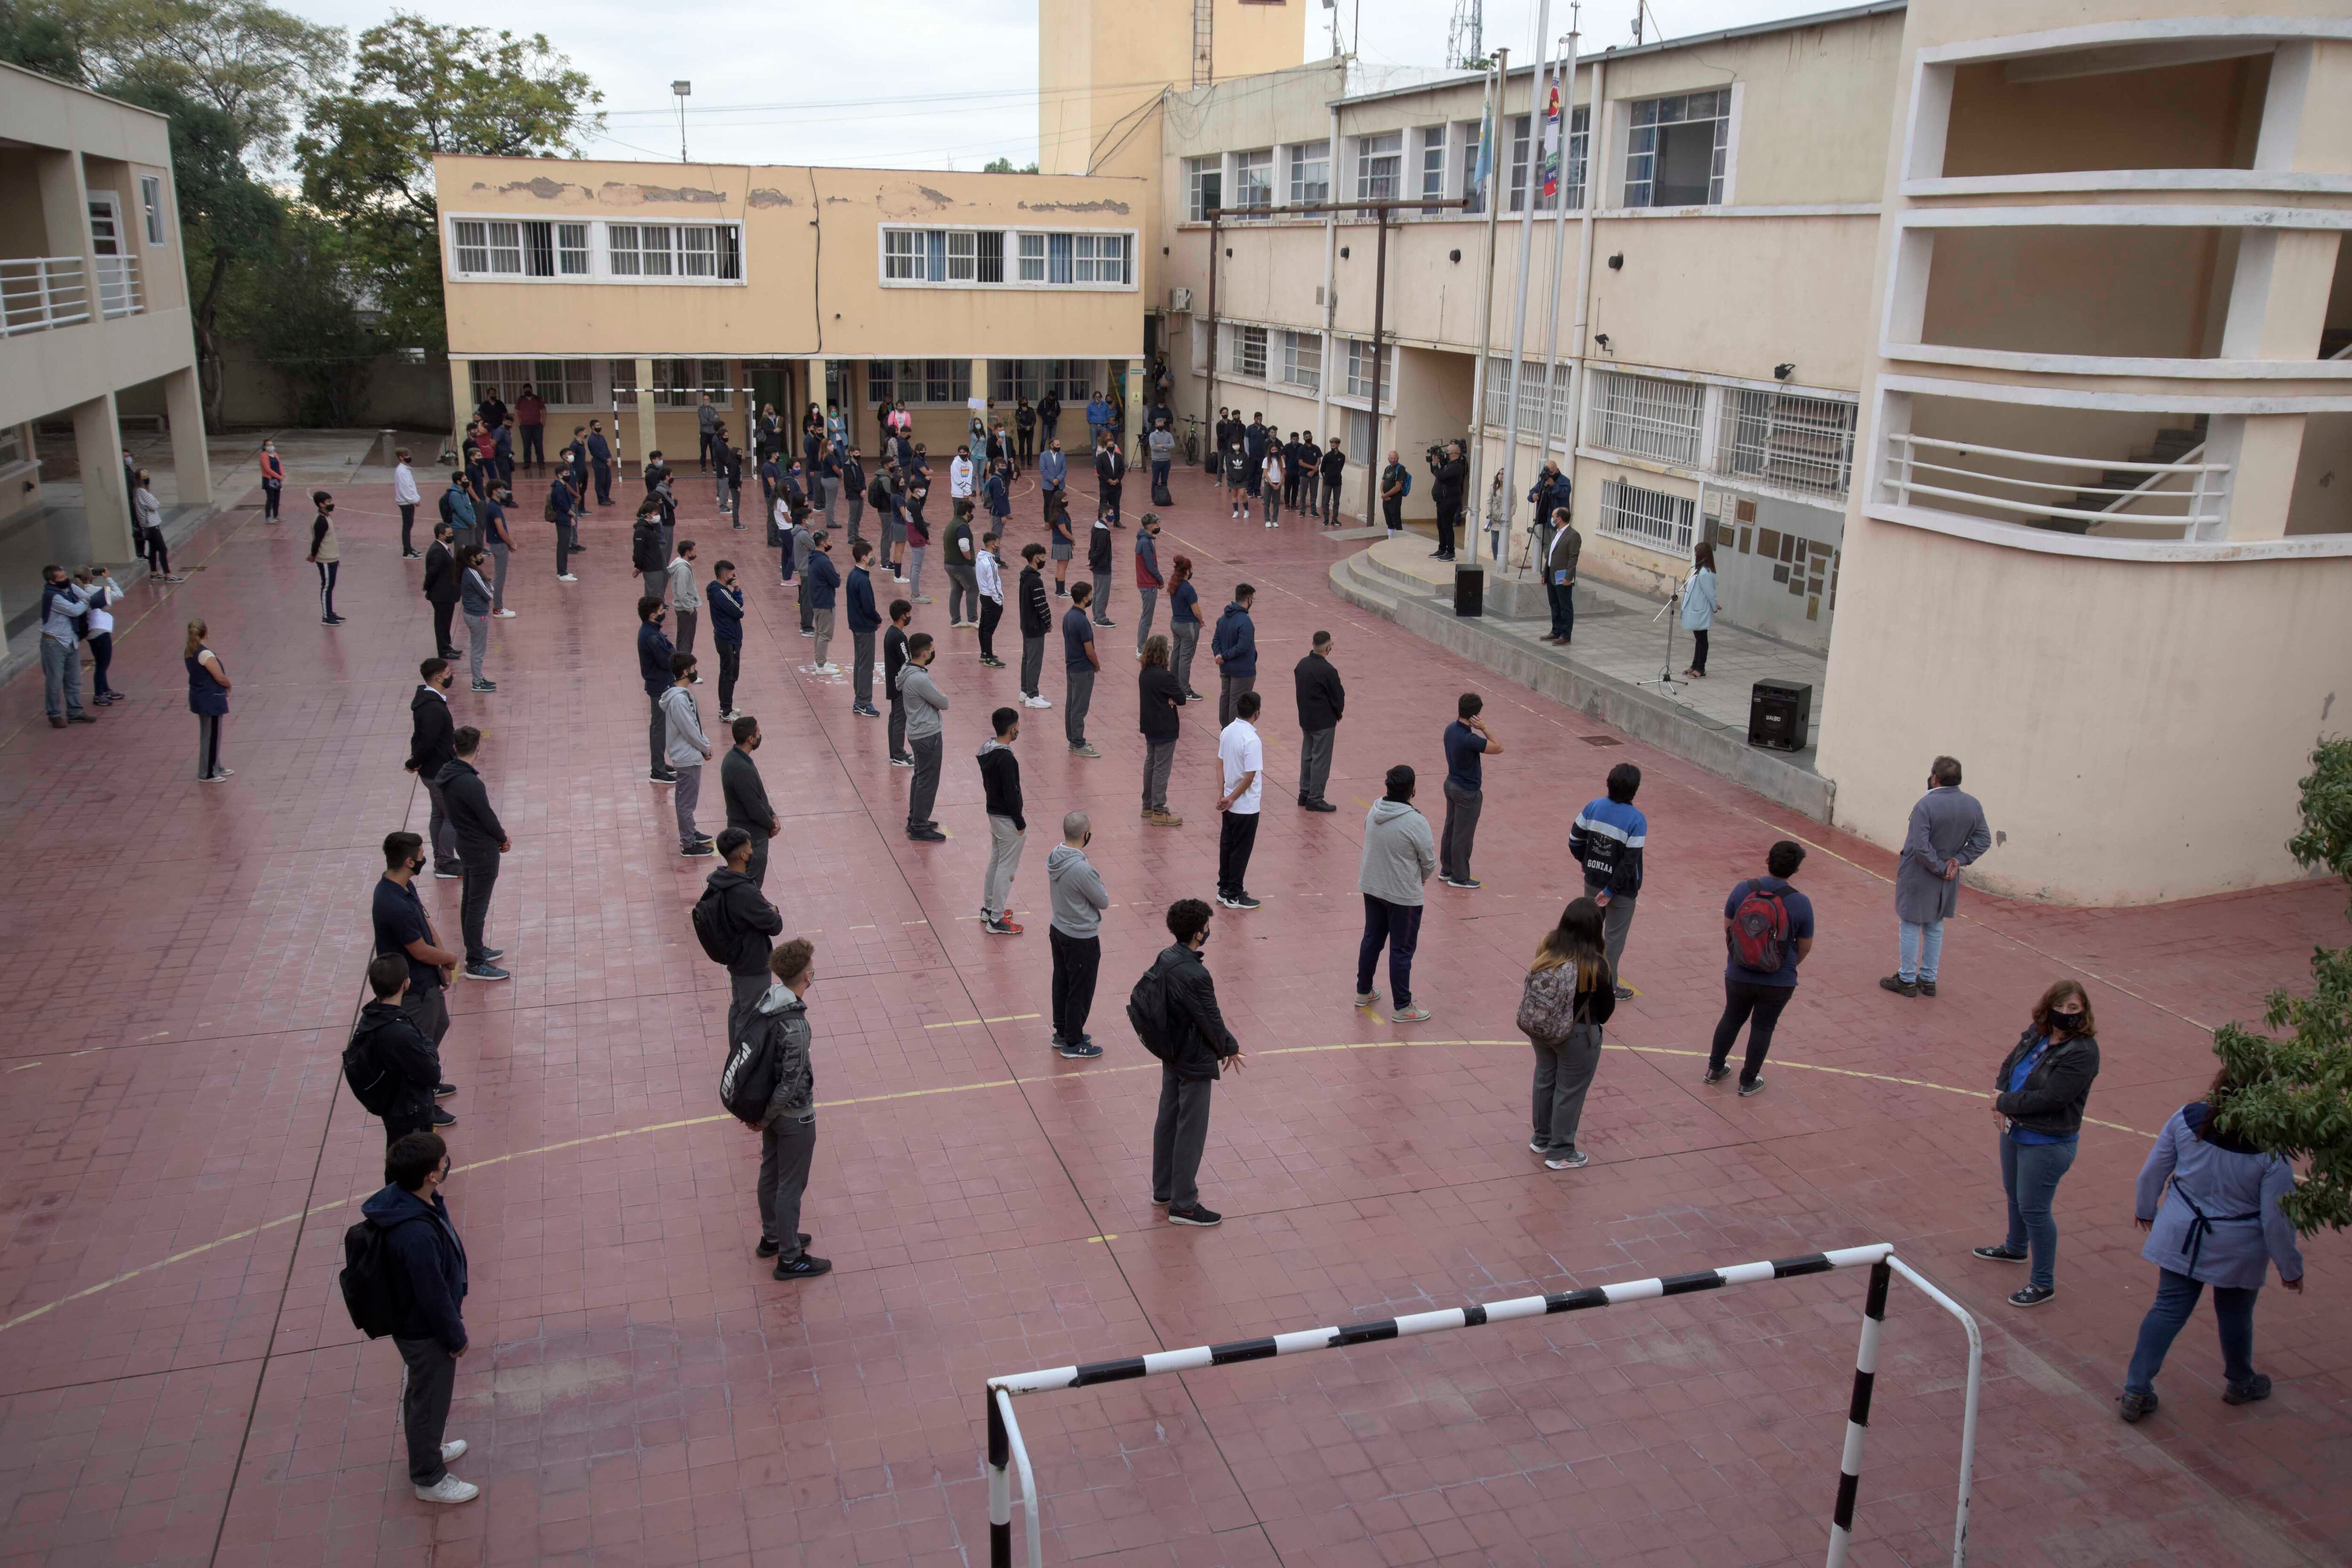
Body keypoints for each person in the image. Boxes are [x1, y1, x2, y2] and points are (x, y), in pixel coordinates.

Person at [2118, 1064, 2306, 1422]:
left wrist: (2146, 1209)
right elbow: (2276, 1218)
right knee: (2235, 1312)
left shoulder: (2187, 1118)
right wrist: (2290, 1267)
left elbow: (2153, 1172)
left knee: (2168, 1308)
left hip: (2181, 1232)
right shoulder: (2272, 1150)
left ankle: (2136, 1389)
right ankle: (2240, 1380)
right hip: (2238, 1245)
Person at [362, 1132, 477, 1503]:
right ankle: (429, 1477)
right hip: (425, 1330)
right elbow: (432, 1294)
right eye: (443, 1161)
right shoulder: (415, 1233)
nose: (448, 1164)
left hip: (415, 1322)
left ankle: (427, 1448)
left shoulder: (412, 1199)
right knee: (430, 1397)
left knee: (421, 1393)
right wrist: (455, 1336)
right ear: (430, 1174)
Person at [1972, 980, 2102, 1308]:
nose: (2065, 1013)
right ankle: (2016, 1247)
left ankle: (2043, 1283)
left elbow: (2053, 1098)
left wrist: (2006, 1103)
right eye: (2060, 1006)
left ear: (2084, 1010)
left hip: (2047, 1141)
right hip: (2017, 1129)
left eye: (2073, 1008)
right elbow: (2010, 1064)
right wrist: (2000, 1098)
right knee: (2014, 1193)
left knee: (2035, 1208)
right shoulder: (2038, 1032)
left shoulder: (2083, 1052)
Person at [1143, 898, 1245, 1225]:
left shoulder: (1166, 957)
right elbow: (1210, 1019)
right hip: (1194, 1057)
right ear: (1199, 933)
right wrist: (1229, 1046)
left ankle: (1164, 1189)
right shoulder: (1196, 974)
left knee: (1168, 1117)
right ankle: (1184, 1203)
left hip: (1171, 1051)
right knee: (1192, 1128)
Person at [744, 939, 828, 1279]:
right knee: (791, 1185)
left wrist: (763, 1115)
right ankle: (790, 1257)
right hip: (794, 1116)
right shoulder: (797, 1026)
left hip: (773, 1112)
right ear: (806, 977)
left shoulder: (769, 1000)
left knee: (771, 1172)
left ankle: (774, 1236)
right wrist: (766, 1117)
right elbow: (791, 1081)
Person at [1704, 841, 1816, 1095]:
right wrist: (1785, 966)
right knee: (1763, 1027)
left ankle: (1714, 1069)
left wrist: (1744, 956)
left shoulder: (1743, 889)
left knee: (1732, 1017)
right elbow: (1806, 946)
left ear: (1768, 861)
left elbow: (1729, 927)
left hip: (1739, 973)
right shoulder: (1801, 903)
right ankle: (1747, 1081)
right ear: (1796, 869)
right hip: (1778, 980)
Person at [1517, 899, 1618, 1170]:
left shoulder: (1549, 945)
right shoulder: (1595, 963)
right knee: (1570, 1090)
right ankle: (1561, 1151)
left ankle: (1542, 1138)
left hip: (1541, 1027)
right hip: (1577, 1034)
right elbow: (1606, 1010)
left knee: (1545, 1078)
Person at [1883, 757, 1993, 998]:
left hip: (1921, 872)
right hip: (1949, 873)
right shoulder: (1972, 805)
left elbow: (1921, 846)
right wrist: (1958, 860)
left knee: (1911, 922)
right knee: (1935, 925)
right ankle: (1929, 978)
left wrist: (1940, 867)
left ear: (1935, 777)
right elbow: (1983, 839)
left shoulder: (1926, 805)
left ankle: (1907, 978)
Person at [371, 831, 458, 1125]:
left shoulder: (404, 887)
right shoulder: (392, 903)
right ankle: (424, 1103)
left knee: (440, 1025)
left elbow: (427, 925)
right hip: (414, 988)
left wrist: (443, 960)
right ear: (409, 861)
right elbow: (419, 950)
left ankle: (428, 1084)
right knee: (418, 1051)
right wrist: (450, 959)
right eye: (422, 855)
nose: (425, 859)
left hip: (427, 979)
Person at [1357, 764, 1438, 1021]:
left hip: (1372, 886)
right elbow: (1429, 863)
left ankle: (1363, 991)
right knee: (1402, 950)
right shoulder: (1416, 821)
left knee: (1372, 939)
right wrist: (1418, 881)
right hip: (1403, 896)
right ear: (1413, 790)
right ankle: (1403, 1006)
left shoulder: (1375, 809)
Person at [437, 726, 511, 982]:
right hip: (482, 849)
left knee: (469, 901)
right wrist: (502, 838)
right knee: (477, 906)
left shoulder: (448, 775)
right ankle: (476, 963)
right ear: (477, 748)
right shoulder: (470, 783)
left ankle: (477, 949)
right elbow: (487, 817)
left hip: (466, 844)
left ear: (456, 748)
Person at [1568, 762, 1645, 995]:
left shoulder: (1594, 807)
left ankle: (1582, 980)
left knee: (1590, 933)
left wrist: (1587, 862)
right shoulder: (1637, 820)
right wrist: (1611, 891)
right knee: (1613, 940)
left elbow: (1574, 840)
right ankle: (1607, 990)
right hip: (1622, 892)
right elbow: (1629, 863)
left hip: (1593, 881)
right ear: (1634, 790)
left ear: (1608, 784)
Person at [348, 955, 443, 1144]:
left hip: (393, 1108)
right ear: (406, 984)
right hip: (409, 1113)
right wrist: (430, 1049)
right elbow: (432, 1073)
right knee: (415, 1163)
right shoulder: (399, 1032)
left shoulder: (372, 1016)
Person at [1046, 812, 1109, 1058]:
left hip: (1059, 928)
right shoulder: (1082, 869)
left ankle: (1062, 1031)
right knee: (1080, 990)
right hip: (1081, 937)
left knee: (1062, 981)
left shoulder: (1055, 856)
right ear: (1086, 835)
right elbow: (1103, 900)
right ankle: (1073, 1043)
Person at [707, 826, 784, 1016]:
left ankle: (737, 1044)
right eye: (750, 848)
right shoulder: (745, 892)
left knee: (739, 1008)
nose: (752, 852)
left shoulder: (718, 881)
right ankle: (745, 1046)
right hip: (752, 962)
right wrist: (773, 911)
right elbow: (775, 925)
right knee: (752, 1015)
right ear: (743, 855)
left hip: (736, 958)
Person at [1438, 694, 1502, 890]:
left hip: (1451, 784)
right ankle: (1460, 876)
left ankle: (1446, 869)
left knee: (1451, 827)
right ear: (1477, 715)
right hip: (1467, 791)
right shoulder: (1470, 739)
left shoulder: (1450, 729)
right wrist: (1484, 728)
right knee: (1463, 835)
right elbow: (1498, 747)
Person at [406, 659, 462, 878]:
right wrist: (414, 761)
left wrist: (416, 761)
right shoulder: (433, 708)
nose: (451, 675)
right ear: (439, 677)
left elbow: (418, 736)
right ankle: (445, 862)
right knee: (452, 815)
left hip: (430, 770)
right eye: (448, 672)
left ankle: (442, 859)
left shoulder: (425, 701)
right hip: (438, 770)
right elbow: (427, 740)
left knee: (438, 814)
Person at [718, 714, 781, 891]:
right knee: (749, 887)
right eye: (758, 733)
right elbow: (754, 807)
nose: (760, 736)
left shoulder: (736, 759)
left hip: (746, 831)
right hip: (752, 835)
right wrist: (771, 825)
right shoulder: (741, 768)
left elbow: (757, 795)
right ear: (751, 739)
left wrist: (772, 813)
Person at [977, 708, 1026, 936]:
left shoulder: (987, 750)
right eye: (1017, 726)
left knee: (996, 861)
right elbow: (1011, 792)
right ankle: (996, 919)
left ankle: (989, 908)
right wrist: (1019, 821)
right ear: (1012, 729)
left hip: (993, 813)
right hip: (1007, 818)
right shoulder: (1006, 759)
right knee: (1006, 868)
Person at [1216, 691, 1266, 911]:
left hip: (1228, 802)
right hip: (1245, 805)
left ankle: (1224, 888)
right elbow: (1250, 776)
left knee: (1227, 845)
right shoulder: (1252, 740)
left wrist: (1223, 795)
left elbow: (1219, 763)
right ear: (1257, 713)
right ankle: (1235, 894)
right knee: (1241, 850)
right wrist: (1233, 797)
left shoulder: (1227, 731)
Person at [663, 652, 717, 857]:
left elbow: (695, 723)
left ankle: (691, 831)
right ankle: (688, 843)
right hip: (687, 756)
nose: (696, 672)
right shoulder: (678, 701)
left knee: (685, 798)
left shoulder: (683, 695)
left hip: (689, 753)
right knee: (687, 801)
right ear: (686, 671)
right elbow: (689, 729)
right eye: (694, 669)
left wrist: (705, 744)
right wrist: (704, 748)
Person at [899, 634, 949, 841]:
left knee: (920, 777)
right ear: (925, 652)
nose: (933, 652)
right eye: (931, 649)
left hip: (916, 732)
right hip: (927, 734)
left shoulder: (907, 671)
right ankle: (920, 826)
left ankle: (916, 818)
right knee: (928, 781)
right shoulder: (919, 678)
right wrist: (941, 695)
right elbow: (943, 702)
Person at [1293, 631, 1344, 812]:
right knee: (1320, 760)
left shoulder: (1302, 665)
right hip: (1324, 722)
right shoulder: (1328, 671)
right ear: (1328, 647)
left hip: (1306, 719)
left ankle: (1304, 793)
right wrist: (1338, 714)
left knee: (1307, 756)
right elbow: (1338, 696)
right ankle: (1316, 798)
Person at [38, 565, 95, 727]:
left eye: (65, 575)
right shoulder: (53, 596)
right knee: (55, 681)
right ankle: (54, 714)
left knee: (74, 680)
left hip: (70, 640)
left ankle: (75, 712)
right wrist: (84, 601)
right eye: (61, 578)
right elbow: (75, 610)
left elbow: (85, 595)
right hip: (54, 643)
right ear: (52, 581)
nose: (66, 579)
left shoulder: (67, 587)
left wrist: (82, 597)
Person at [1138, 634, 1185, 828]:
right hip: (1165, 727)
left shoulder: (1145, 673)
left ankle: (1147, 805)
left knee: (1151, 763)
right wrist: (1172, 698)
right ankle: (1159, 809)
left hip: (1150, 726)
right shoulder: (1166, 677)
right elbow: (1181, 698)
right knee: (1161, 768)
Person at [1058, 582, 1103, 757]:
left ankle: (1073, 739)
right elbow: (1089, 649)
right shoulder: (1083, 621)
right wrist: (1097, 665)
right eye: (1091, 595)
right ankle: (1078, 743)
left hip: (1071, 667)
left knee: (1071, 705)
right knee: (1080, 708)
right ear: (1085, 598)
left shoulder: (1068, 616)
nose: (1092, 597)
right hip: (1083, 669)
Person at [183, 618, 231, 779]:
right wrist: (228, 685)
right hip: (211, 699)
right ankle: (208, 773)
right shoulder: (205, 654)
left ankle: (215, 765)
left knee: (209, 733)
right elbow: (219, 676)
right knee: (212, 735)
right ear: (205, 632)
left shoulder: (190, 651)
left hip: (200, 697)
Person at [638, 596, 677, 785]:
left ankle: (660, 764)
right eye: (662, 611)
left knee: (660, 727)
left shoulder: (651, 632)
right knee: (659, 729)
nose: (664, 614)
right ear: (653, 615)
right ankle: (658, 771)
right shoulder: (652, 637)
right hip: (660, 686)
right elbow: (667, 659)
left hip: (659, 684)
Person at [1209, 584, 1258, 728]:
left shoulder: (1223, 618)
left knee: (1226, 698)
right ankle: (1233, 732)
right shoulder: (1245, 621)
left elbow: (1216, 641)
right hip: (1242, 670)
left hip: (1226, 669)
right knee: (1237, 702)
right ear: (1249, 599)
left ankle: (1225, 730)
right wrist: (1224, 656)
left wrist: (1219, 655)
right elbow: (1243, 647)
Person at [846, 541, 883, 718]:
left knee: (859, 663)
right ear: (864, 557)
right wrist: (877, 619)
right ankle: (864, 702)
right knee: (866, 666)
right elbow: (868, 607)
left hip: (856, 625)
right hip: (865, 627)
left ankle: (859, 699)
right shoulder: (863, 580)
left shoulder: (853, 576)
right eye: (871, 554)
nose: (873, 557)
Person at [1014, 543, 1053, 709]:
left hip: (1026, 624)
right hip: (1035, 627)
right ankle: (1032, 696)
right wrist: (1048, 622)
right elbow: (1041, 604)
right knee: (1034, 661)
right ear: (1036, 558)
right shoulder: (1035, 581)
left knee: (1027, 658)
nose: (1045, 560)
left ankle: (1025, 691)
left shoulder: (1025, 577)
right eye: (1043, 557)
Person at [708, 559, 746, 719]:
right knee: (729, 674)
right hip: (728, 638)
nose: (734, 577)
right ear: (725, 576)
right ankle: (726, 711)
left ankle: (726, 706)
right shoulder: (721, 593)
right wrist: (737, 591)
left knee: (727, 673)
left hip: (727, 637)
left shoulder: (719, 590)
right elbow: (739, 611)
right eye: (732, 575)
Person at [457, 546, 495, 693]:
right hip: (477, 615)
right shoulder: (472, 573)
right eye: (480, 556)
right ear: (473, 558)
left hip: (473, 613)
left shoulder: (469, 572)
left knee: (478, 648)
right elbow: (488, 592)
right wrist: (490, 589)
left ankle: (479, 678)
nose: (482, 558)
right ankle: (477, 682)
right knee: (478, 650)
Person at [83, 566, 123, 705]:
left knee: (100, 662)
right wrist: (108, 578)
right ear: (90, 577)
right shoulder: (95, 591)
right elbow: (119, 594)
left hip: (90, 633)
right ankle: (99, 694)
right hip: (100, 630)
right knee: (102, 664)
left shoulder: (76, 591)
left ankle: (105, 689)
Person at [1542, 506, 1581, 644]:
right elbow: (1551, 555)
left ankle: (1566, 635)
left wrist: (1569, 577)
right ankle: (1556, 631)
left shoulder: (1573, 535)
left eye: (1554, 517)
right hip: (1551, 574)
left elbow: (1573, 558)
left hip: (1562, 576)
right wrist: (1545, 573)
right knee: (1554, 604)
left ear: (1559, 519)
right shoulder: (1556, 533)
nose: (1552, 520)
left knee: (1565, 605)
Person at [803, 530, 840, 673]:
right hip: (825, 602)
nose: (831, 543)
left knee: (818, 632)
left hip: (816, 601)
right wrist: (837, 575)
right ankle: (821, 665)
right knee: (825, 634)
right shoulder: (824, 561)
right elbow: (836, 581)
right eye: (829, 540)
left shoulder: (813, 557)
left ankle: (819, 660)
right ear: (823, 543)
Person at [1168, 555, 1204, 703]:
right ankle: (1185, 690)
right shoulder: (1188, 589)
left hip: (1176, 623)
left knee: (1176, 654)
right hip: (1188, 625)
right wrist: (1201, 620)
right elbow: (1196, 610)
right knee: (1186, 658)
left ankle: (1174, 684)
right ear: (1187, 571)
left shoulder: (1174, 585)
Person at [883, 599, 915, 766]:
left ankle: (895, 752)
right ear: (903, 616)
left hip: (892, 683)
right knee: (900, 719)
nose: (910, 616)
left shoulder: (890, 633)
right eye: (909, 613)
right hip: (900, 685)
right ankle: (898, 755)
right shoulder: (900, 638)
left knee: (894, 717)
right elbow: (906, 661)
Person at [1680, 541, 1718, 678]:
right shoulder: (1698, 571)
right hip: (1697, 609)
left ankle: (1701, 668)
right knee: (1698, 638)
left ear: (1702, 555)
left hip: (1701, 611)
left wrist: (1715, 606)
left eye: (1696, 553)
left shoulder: (1705, 574)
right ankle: (1695, 664)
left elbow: (1710, 593)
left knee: (1702, 639)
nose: (1695, 555)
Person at [423, 522, 461, 660]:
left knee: (446, 622)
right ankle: (443, 650)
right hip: (441, 595)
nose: (452, 536)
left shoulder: (443, 548)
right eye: (449, 534)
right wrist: (427, 586)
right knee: (442, 623)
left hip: (446, 594)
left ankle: (448, 645)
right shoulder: (438, 551)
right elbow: (432, 573)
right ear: (441, 535)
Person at [478, 482, 516, 617]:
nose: (504, 491)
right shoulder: (494, 509)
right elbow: (501, 530)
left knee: (500, 576)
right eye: (501, 488)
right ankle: (498, 608)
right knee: (500, 577)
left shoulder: (494, 507)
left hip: (498, 544)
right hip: (499, 545)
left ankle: (498, 606)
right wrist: (511, 543)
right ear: (494, 491)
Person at [1132, 514, 1168, 653]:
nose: (1158, 526)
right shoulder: (1146, 543)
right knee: (1147, 618)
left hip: (1146, 583)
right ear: (1150, 526)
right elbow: (1150, 565)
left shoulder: (1144, 540)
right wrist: (1160, 579)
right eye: (1157, 524)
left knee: (1146, 617)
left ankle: (1141, 646)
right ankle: (1141, 648)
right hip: (1148, 585)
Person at [973, 531, 1008, 669]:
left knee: (983, 627)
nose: (999, 546)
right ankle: (989, 657)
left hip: (984, 596)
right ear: (993, 544)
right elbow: (993, 583)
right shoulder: (991, 563)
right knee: (988, 630)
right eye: (998, 543)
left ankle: (985, 653)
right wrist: (999, 599)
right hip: (991, 598)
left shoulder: (980, 558)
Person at [1429, 441, 1467, 560]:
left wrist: (1436, 467)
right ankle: (1442, 549)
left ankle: (1451, 552)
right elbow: (1436, 473)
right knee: (1440, 525)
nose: (1445, 454)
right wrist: (1434, 463)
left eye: (1447, 452)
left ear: (1454, 454)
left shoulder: (1456, 467)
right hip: (1442, 500)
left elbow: (1441, 476)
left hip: (1450, 500)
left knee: (1447, 526)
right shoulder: (1449, 464)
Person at [944, 504, 979, 628]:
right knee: (973, 588)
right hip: (961, 565)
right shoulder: (962, 526)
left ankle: (956, 620)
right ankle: (973, 619)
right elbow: (964, 545)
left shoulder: (952, 523)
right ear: (966, 513)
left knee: (956, 591)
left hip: (949, 564)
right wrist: (969, 558)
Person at [667, 538, 702, 663]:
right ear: (688, 552)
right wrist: (690, 609)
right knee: (686, 640)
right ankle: (684, 667)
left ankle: (681, 665)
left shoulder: (681, 566)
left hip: (683, 609)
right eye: (694, 551)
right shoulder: (683, 570)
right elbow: (682, 592)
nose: (695, 553)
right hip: (686, 610)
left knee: (683, 638)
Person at [549, 465, 579, 583]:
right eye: (566, 473)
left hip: (564, 518)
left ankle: (562, 571)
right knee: (563, 546)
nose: (568, 475)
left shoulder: (562, 487)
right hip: (563, 519)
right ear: (560, 475)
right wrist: (571, 513)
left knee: (564, 545)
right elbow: (562, 504)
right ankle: (562, 573)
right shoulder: (558, 489)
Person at [1046, 487, 1074, 598]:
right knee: (1062, 567)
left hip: (1059, 543)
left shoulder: (1058, 513)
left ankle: (1059, 590)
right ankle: (1061, 591)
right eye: (1064, 499)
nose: (1067, 501)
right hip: (1063, 543)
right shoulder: (1060, 515)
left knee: (1059, 567)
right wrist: (1073, 539)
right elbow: (1064, 531)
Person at [394, 446, 422, 557]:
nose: (409, 458)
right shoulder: (401, 472)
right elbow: (405, 489)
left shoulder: (405, 469)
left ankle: (409, 548)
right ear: (401, 458)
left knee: (409, 526)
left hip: (408, 502)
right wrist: (414, 500)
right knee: (407, 526)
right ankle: (407, 551)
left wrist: (416, 497)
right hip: (406, 503)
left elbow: (411, 486)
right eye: (406, 456)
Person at [1094, 430, 1125, 526]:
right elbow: (1100, 470)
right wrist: (1108, 480)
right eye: (1110, 445)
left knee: (1116, 504)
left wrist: (1117, 480)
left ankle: (1117, 521)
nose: (1112, 446)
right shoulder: (1101, 456)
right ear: (1106, 446)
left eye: (1113, 445)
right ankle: (1101, 521)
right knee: (1104, 503)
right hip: (1105, 484)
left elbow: (1122, 469)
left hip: (1117, 484)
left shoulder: (1119, 456)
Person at [1379, 450, 1410, 538]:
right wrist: (1383, 494)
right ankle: (1391, 538)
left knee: (1396, 519)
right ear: (1388, 459)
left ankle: (1400, 540)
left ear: (1398, 458)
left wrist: (1386, 495)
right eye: (1391, 459)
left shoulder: (1401, 469)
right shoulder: (1388, 468)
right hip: (1386, 499)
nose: (1393, 460)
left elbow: (1398, 487)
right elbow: (1383, 482)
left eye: (1395, 458)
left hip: (1395, 499)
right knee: (1389, 521)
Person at [514, 383, 545, 470]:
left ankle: (541, 463)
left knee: (539, 445)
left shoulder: (537, 399)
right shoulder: (520, 400)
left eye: (529, 389)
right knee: (526, 445)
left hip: (537, 426)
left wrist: (543, 423)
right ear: (524, 390)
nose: (528, 391)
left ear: (532, 390)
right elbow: (516, 412)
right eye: (526, 389)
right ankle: (527, 463)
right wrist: (519, 424)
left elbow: (543, 411)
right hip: (525, 426)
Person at [1318, 436, 1347, 526]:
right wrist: (1326, 477)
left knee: (1336, 501)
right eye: (1332, 445)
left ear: (1338, 445)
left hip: (1338, 482)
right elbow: (1322, 469)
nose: (1333, 447)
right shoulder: (1327, 456)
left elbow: (1341, 468)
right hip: (1328, 482)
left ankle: (1335, 519)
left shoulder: (1342, 457)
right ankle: (1326, 519)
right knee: (1326, 501)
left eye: (1334, 445)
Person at [587, 420, 614, 507]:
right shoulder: (592, 439)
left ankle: (607, 497)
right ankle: (602, 500)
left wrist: (610, 457)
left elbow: (606, 448)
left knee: (608, 481)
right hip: (599, 463)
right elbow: (595, 452)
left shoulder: (602, 437)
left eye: (600, 425)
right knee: (600, 482)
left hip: (606, 462)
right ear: (592, 427)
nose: (599, 427)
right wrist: (606, 460)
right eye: (597, 425)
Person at [1221, 440, 1250, 519]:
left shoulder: (1244, 455)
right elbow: (1229, 467)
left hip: (1243, 478)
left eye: (1237, 444)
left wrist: (1243, 476)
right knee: (1234, 494)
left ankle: (1246, 510)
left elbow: (1246, 467)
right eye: (1234, 444)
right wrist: (1233, 477)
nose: (1236, 446)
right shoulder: (1229, 455)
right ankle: (1236, 511)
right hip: (1233, 479)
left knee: (1242, 493)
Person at [258, 437, 284, 521]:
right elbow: (267, 469)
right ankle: (268, 517)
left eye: (272, 445)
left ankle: (276, 516)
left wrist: (283, 474)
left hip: (277, 480)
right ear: (265, 447)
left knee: (277, 498)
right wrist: (279, 476)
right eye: (268, 445)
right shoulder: (264, 456)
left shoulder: (275, 454)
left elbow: (280, 465)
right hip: (269, 480)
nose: (271, 447)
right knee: (270, 498)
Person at [1148, 418, 1175, 503]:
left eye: (1161, 424)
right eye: (1159, 425)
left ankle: (1164, 498)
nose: (1160, 426)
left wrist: (1162, 446)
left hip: (1167, 461)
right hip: (1157, 461)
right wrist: (1165, 449)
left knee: (1165, 480)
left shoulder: (1169, 435)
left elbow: (1173, 445)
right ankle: (1154, 498)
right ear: (1156, 425)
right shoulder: (1152, 435)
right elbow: (1153, 447)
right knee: (1155, 480)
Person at [698, 392, 719, 471]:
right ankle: (703, 467)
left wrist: (710, 420)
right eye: (704, 399)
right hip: (704, 433)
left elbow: (717, 420)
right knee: (703, 451)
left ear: (710, 400)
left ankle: (715, 466)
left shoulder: (713, 409)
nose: (706, 401)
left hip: (713, 433)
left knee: (713, 451)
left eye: (707, 399)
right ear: (703, 400)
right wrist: (712, 420)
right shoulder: (701, 410)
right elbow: (704, 422)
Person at [1016, 397, 1037, 464]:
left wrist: (1030, 427)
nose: (1025, 402)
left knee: (1030, 445)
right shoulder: (1018, 411)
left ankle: (1029, 460)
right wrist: (1025, 427)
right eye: (1023, 401)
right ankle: (1022, 459)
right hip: (1022, 430)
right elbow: (1017, 421)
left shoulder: (1031, 410)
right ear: (1020, 403)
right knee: (1022, 445)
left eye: (1026, 401)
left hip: (1030, 430)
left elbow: (1034, 419)